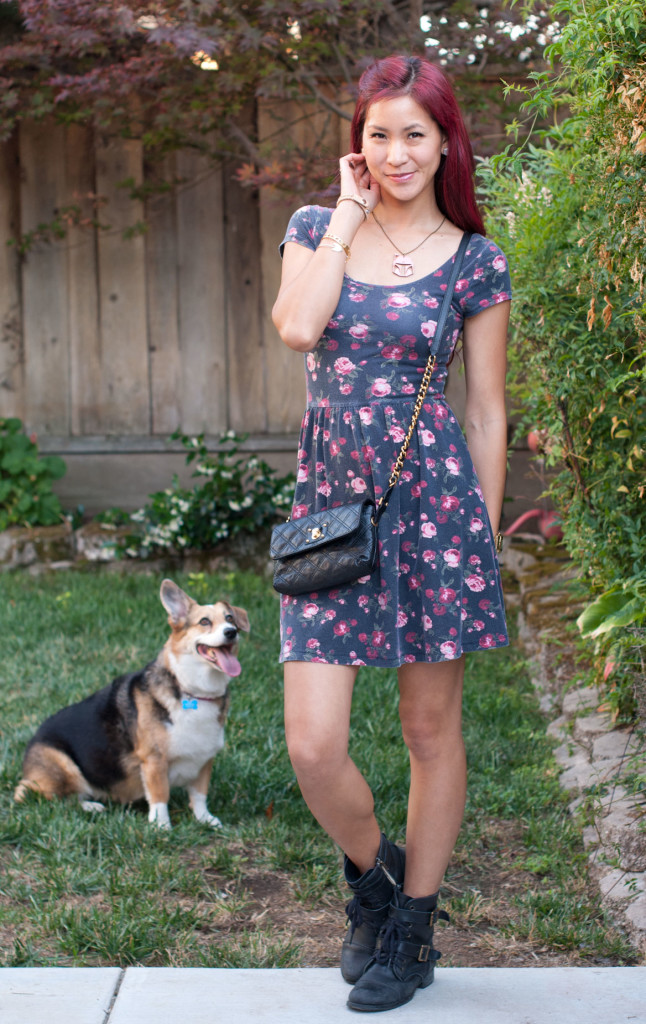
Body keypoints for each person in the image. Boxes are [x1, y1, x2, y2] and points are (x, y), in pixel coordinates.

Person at [271, 54, 511, 1013]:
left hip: (437, 511)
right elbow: (296, 327)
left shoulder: (475, 257)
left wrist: (481, 537)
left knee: (427, 730)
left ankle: (411, 929)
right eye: (380, 133)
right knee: (313, 745)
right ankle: (377, 881)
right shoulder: (313, 229)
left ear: (445, 140)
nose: (397, 151)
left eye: (416, 132)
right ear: (358, 143)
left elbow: (487, 411)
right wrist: (344, 222)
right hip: (333, 509)